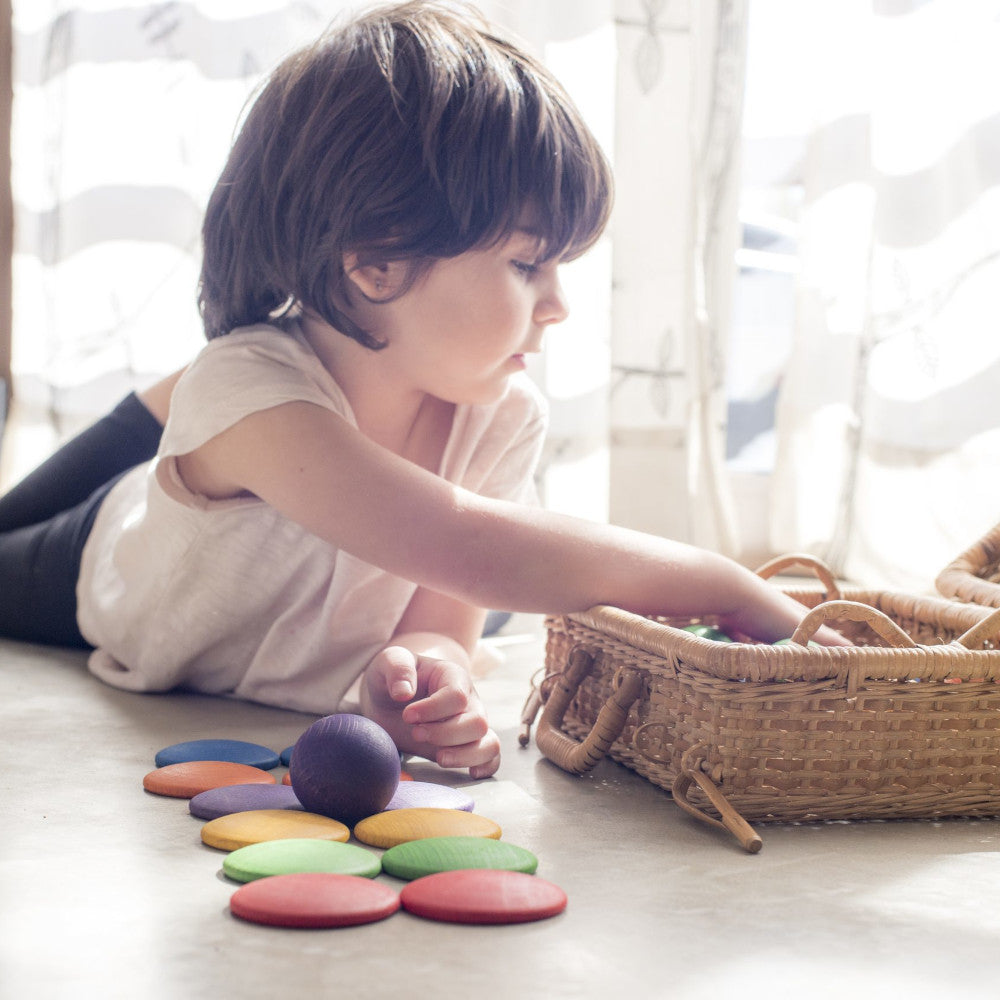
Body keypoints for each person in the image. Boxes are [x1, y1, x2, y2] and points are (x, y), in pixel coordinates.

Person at [0, 1, 846, 781]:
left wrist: (422, 670)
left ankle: (239, 391)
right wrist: (735, 588)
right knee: (231, 400)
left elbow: (442, 616)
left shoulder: (503, 412)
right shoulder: (254, 397)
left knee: (501, 587)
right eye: (527, 264)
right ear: (374, 262)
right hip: (113, 548)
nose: (558, 305)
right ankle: (201, 405)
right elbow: (468, 543)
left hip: (295, 471)